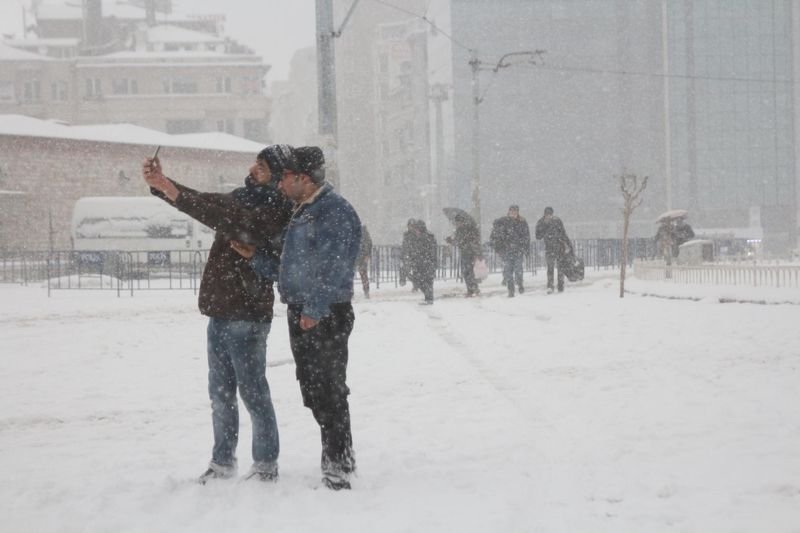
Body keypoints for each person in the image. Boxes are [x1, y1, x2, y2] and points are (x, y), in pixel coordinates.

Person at [141, 145, 293, 484]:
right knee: (220, 394)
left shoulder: (277, 208)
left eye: (263, 166)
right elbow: (208, 202)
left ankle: (266, 464)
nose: (254, 169)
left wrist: (172, 191)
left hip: (248, 315)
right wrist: (165, 185)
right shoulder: (243, 197)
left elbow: (227, 220)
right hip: (221, 312)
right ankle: (222, 462)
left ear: (280, 174)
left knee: (253, 393)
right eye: (255, 162)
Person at [274, 146, 362, 490]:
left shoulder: (333, 211)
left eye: (285, 177)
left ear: (303, 178)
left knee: (329, 389)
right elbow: (296, 261)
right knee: (312, 389)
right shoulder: (304, 210)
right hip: (303, 309)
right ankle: (341, 455)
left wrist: (314, 308)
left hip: (325, 312)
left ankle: (338, 464)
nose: (280, 183)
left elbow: (335, 265)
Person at [490, 205, 531, 297]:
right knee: (508, 271)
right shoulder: (503, 221)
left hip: (518, 250)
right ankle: (511, 289)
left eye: (515, 211)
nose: (513, 213)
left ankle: (520, 284)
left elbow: (526, 236)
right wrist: (499, 247)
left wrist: (525, 248)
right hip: (507, 250)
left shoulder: (522, 222)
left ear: (517, 212)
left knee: (518, 269)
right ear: (509, 211)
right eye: (512, 211)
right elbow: (496, 234)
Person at [535, 206, 571, 294]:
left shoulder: (557, 221)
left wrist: (568, 244)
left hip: (559, 247)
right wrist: (545, 229)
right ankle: (550, 286)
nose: (549, 216)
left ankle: (560, 285)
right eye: (547, 214)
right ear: (544, 214)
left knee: (560, 267)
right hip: (549, 248)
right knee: (550, 268)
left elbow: (563, 233)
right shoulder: (541, 222)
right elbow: (538, 236)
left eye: (550, 214)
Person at [446, 212, 482, 297]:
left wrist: (458, 241)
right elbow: (457, 242)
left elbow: (471, 240)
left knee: (469, 271)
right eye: (456, 222)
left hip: (471, 253)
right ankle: (472, 288)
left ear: (462, 221)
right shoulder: (460, 230)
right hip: (465, 252)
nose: (457, 224)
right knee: (467, 271)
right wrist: (450, 240)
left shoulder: (469, 229)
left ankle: (472, 289)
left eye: (458, 222)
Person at [406, 219, 438, 304]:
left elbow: (427, 252)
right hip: (423, 263)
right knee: (424, 281)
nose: (415, 231)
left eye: (416, 229)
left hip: (425, 263)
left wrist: (418, 258)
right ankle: (428, 298)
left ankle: (429, 299)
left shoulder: (425, 237)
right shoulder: (422, 237)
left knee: (425, 281)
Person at [356, 225, 372, 298]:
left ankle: (366, 291)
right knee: (363, 274)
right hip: (359, 256)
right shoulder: (363, 232)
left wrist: (367, 255)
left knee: (363, 274)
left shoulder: (362, 233)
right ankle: (366, 291)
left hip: (360, 256)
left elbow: (368, 244)